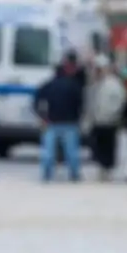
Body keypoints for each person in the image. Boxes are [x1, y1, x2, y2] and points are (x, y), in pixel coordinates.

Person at [34, 53, 85, 182]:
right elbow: (81, 103)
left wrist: (42, 116)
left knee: (48, 152)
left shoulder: (49, 85)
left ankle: (46, 174)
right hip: (70, 123)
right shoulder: (74, 85)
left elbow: (37, 99)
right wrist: (78, 117)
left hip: (52, 122)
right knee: (72, 152)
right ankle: (74, 174)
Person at [87, 57, 126, 181]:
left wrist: (112, 113)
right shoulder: (95, 84)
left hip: (109, 121)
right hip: (97, 121)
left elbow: (119, 101)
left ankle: (108, 170)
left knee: (109, 146)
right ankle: (101, 168)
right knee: (98, 146)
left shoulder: (113, 84)